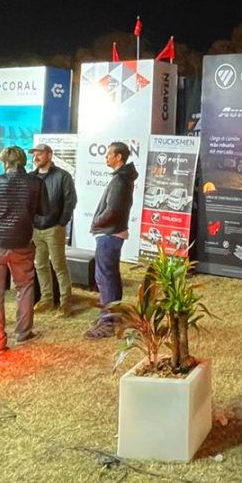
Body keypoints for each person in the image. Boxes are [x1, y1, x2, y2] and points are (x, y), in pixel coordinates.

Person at [0, 145, 47, 352]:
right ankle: (23, 333)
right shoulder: (36, 183)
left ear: (5, 163)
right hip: (22, 243)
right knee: (25, 287)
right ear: (23, 162)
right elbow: (44, 210)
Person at [84, 141, 138, 339]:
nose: (105, 157)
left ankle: (108, 322)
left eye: (108, 154)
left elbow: (112, 211)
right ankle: (114, 314)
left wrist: (97, 221)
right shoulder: (122, 178)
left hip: (109, 234)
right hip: (112, 232)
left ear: (118, 157)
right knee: (110, 276)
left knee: (105, 278)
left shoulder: (120, 181)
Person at [29, 143, 78, 315]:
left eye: (40, 154)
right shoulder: (31, 177)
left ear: (50, 155)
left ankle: (65, 303)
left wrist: (61, 223)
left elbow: (70, 200)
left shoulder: (63, 176)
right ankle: (46, 299)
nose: (36, 157)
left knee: (59, 265)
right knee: (40, 265)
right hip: (36, 229)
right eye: (34, 154)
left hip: (54, 228)